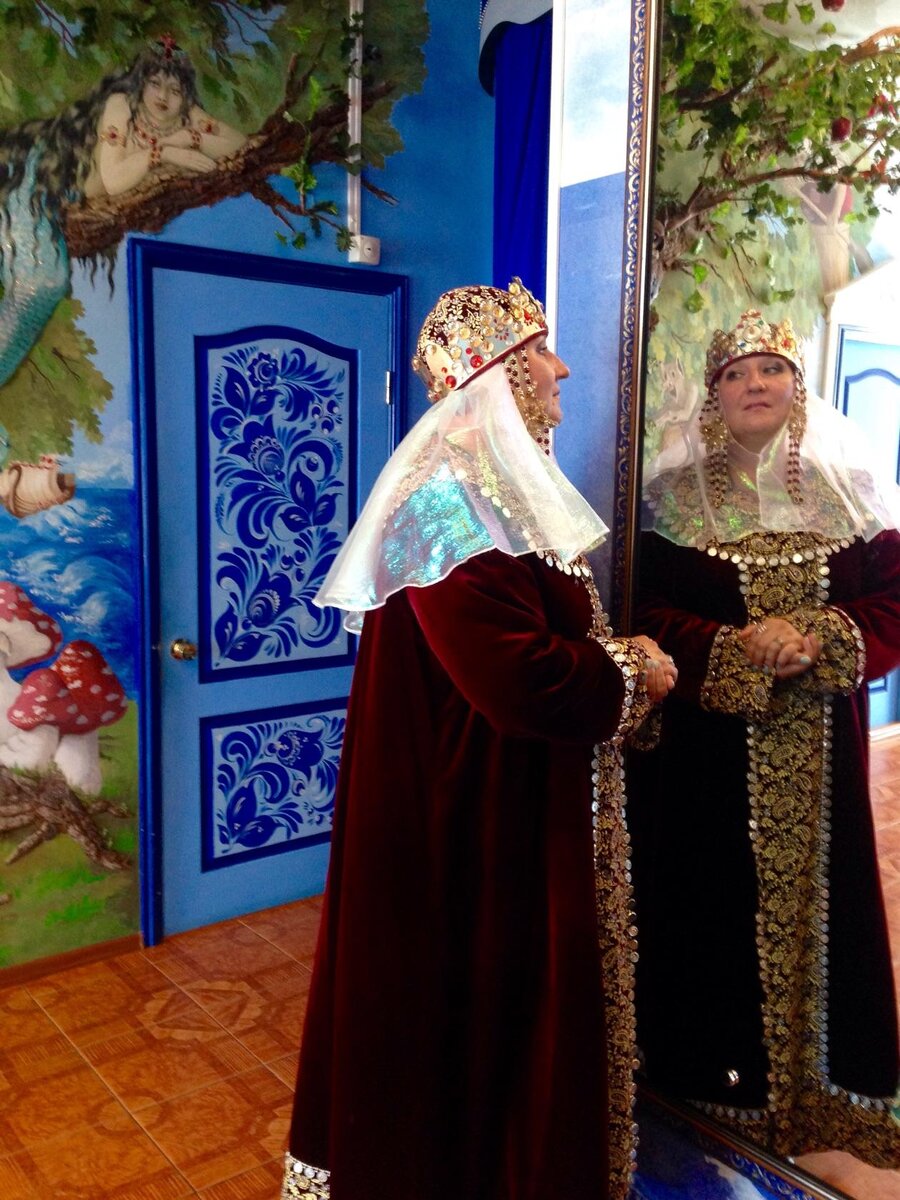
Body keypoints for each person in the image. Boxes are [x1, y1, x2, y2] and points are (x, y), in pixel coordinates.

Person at [282, 279, 676, 1200]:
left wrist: (612, 662)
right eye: (539, 352)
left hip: (499, 801)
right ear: (497, 373)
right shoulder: (447, 500)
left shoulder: (493, 487)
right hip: (464, 821)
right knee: (462, 1018)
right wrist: (636, 671)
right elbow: (518, 678)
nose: (560, 368)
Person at [630, 309, 900, 1166]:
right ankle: (719, 1098)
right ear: (713, 394)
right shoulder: (667, 497)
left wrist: (820, 638)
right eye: (737, 372)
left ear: (797, 385)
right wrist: (736, 646)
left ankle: (829, 1098)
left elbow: (895, 601)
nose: (756, 384)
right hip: (706, 759)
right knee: (711, 909)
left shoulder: (849, 489)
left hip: (824, 753)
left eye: (772, 369)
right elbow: (641, 610)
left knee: (831, 910)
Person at [0, 37, 245, 389]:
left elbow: (240, 146)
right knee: (41, 282)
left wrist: (193, 134)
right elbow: (114, 181)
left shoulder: (185, 116)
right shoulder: (121, 105)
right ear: (139, 83)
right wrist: (165, 153)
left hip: (58, 197)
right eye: (154, 83)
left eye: (175, 90)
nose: (163, 96)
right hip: (36, 180)